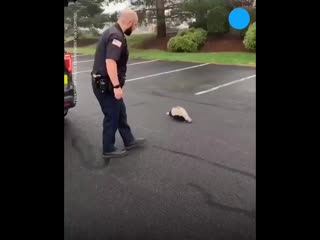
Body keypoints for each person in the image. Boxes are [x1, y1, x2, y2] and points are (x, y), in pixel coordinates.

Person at [91, 9, 145, 158]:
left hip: (106, 83)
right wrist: (116, 87)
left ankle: (129, 141)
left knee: (120, 112)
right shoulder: (116, 35)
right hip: (106, 86)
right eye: (134, 26)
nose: (134, 29)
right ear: (129, 22)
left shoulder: (114, 31)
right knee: (112, 115)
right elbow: (110, 62)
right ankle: (108, 148)